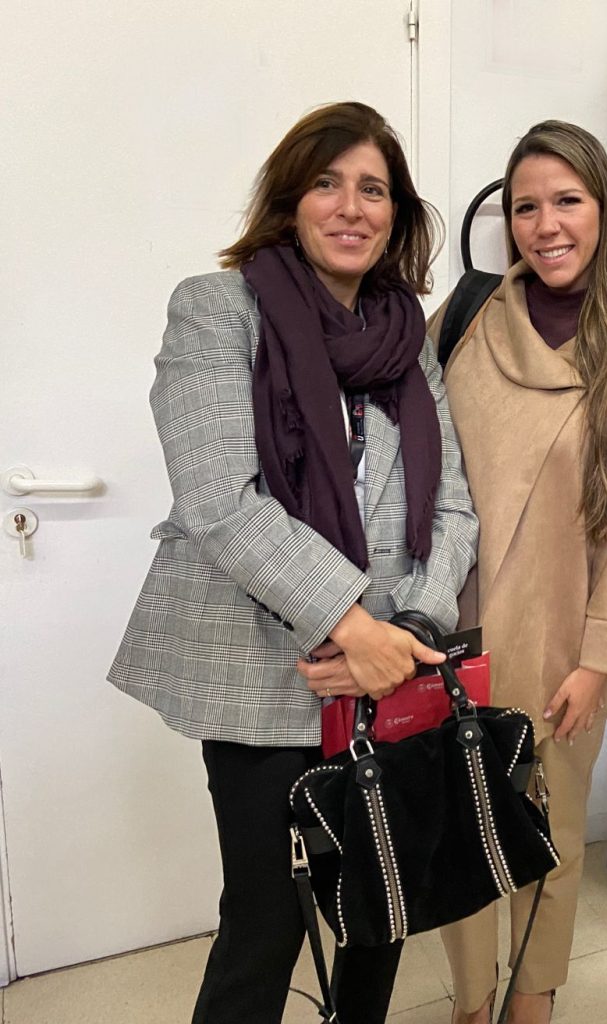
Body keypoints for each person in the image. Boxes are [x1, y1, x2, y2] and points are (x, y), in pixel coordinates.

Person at [109, 101, 478, 1024]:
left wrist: (410, 631)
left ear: (397, 214)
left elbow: (454, 503)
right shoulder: (216, 309)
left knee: (379, 911)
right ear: (288, 198)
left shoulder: (404, 335)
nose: (351, 207)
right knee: (266, 922)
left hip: (390, 671)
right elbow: (220, 501)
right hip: (262, 672)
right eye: (328, 183)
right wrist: (353, 625)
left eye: (374, 189)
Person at [429, 121, 607, 1024]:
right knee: (463, 833)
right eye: (526, 206)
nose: (546, 224)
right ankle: (469, 1001)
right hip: (457, 638)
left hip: (567, 641)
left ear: (603, 211)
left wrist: (604, 661)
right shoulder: (463, 325)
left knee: (549, 839)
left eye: (567, 200)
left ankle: (531, 1003)